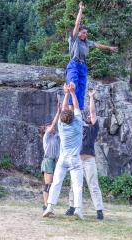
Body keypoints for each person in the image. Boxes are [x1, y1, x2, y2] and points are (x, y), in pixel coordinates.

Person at [43, 82, 84, 220]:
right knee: (77, 185)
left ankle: (49, 207)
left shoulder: (61, 125)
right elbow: (76, 107)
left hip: (62, 158)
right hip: (74, 159)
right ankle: (78, 209)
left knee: (55, 183)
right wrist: (73, 91)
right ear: (73, 117)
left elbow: (63, 109)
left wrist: (66, 93)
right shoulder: (78, 124)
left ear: (62, 118)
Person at [66, 1, 118, 110]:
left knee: (81, 88)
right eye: (84, 32)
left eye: (86, 33)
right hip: (74, 64)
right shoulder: (74, 39)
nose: (85, 34)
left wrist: (109, 48)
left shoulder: (86, 42)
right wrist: (81, 9)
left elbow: (97, 45)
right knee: (73, 85)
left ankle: (78, 112)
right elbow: (77, 24)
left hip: (83, 66)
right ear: (79, 32)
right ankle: (71, 111)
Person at [66, 89, 104, 220]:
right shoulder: (79, 127)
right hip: (77, 159)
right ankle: (72, 207)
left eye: (90, 117)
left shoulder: (93, 128)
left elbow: (93, 112)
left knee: (93, 185)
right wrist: (72, 94)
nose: (88, 117)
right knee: (74, 185)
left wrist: (91, 97)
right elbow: (74, 110)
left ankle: (99, 210)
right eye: (87, 117)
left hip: (89, 160)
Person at [40, 95, 61, 210]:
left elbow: (61, 126)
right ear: (45, 131)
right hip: (48, 161)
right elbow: (54, 124)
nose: (50, 127)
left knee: (52, 185)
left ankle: (49, 205)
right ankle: (45, 205)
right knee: (48, 184)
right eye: (47, 127)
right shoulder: (46, 137)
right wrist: (58, 112)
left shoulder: (55, 136)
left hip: (55, 161)